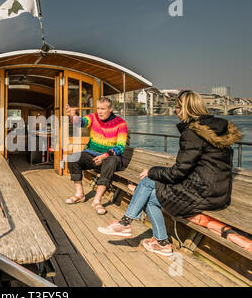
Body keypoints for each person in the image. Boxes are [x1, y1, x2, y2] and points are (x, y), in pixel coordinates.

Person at [98, 90, 242, 256]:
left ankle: (129, 225)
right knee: (148, 194)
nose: (175, 111)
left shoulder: (193, 133)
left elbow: (178, 172)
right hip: (216, 193)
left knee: (147, 183)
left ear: (185, 109)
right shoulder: (217, 128)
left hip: (200, 193)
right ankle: (159, 241)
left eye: (177, 108)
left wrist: (152, 171)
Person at [65, 97, 128, 215]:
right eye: (98, 108)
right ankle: (80, 194)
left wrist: (104, 156)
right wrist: (73, 116)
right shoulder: (93, 117)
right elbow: (82, 122)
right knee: (73, 157)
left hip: (111, 158)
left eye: (103, 109)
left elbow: (120, 147)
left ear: (110, 109)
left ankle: (97, 200)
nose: (100, 111)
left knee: (111, 161)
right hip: (92, 154)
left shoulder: (121, 123)